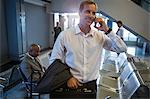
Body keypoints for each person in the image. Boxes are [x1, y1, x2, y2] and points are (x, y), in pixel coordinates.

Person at [49, 0, 127, 98]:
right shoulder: (65, 35)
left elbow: (122, 49)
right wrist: (67, 78)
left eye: (93, 13)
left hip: (91, 86)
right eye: (87, 11)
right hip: (71, 84)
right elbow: (54, 60)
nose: (91, 15)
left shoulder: (99, 36)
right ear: (79, 13)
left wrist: (107, 30)